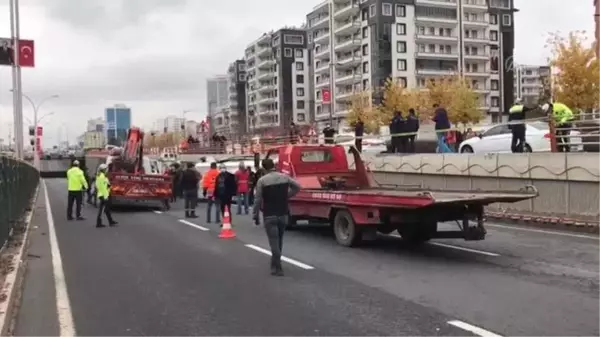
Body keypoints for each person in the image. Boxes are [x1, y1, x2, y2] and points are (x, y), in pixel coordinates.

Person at [252, 158, 301, 276]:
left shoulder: (262, 181)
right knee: (279, 240)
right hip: (283, 213)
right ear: (273, 166)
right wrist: (287, 195)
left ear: (264, 168)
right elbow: (297, 186)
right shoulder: (284, 177)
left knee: (273, 241)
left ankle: (277, 267)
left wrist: (255, 214)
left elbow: (258, 199)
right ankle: (275, 263)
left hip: (269, 215)